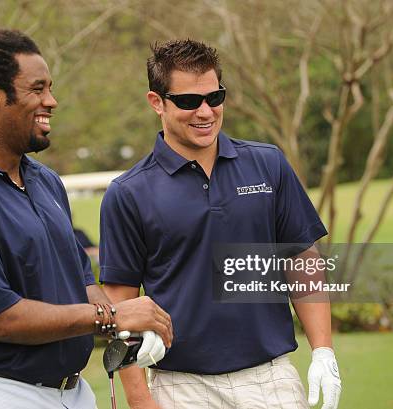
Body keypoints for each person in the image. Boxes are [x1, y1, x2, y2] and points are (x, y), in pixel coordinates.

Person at [0, 29, 172, 409]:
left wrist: (125, 330)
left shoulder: (44, 180)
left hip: (73, 392)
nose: (51, 101)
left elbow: (80, 280)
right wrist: (112, 314)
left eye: (50, 88)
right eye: (37, 89)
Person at [99, 40, 341, 409]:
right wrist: (139, 399)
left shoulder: (268, 164)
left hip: (270, 378)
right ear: (156, 102)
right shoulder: (127, 193)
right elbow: (122, 306)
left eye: (215, 97)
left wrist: (323, 351)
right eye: (188, 101)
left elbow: (300, 260)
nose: (205, 111)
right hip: (181, 387)